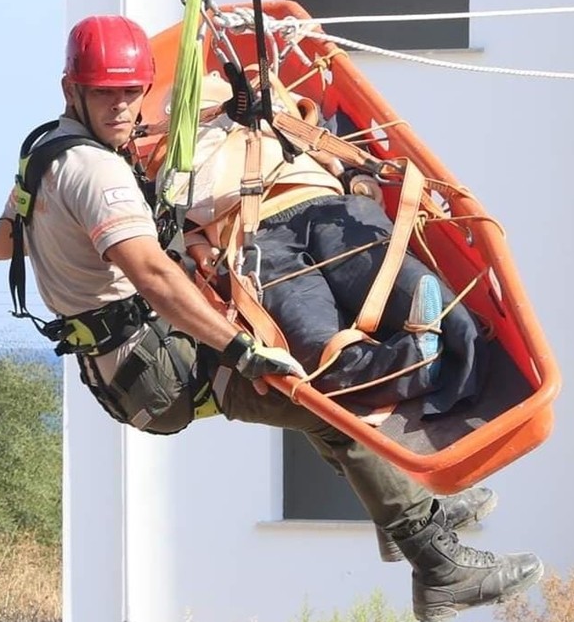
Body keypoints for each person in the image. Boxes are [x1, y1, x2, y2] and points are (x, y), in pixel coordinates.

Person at [0, 14, 543, 621]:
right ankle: (439, 565)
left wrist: (51, 226)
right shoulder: (97, 172)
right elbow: (150, 273)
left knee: (313, 404)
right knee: (323, 403)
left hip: (128, 359)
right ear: (73, 90)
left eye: (130, 92)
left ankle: (406, 517)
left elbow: (3, 245)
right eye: (105, 94)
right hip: (158, 367)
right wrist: (238, 348)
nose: (122, 109)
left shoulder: (45, 152)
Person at [166, 71, 489, 418]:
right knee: (311, 350)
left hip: (323, 205)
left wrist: (353, 174)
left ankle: (451, 348)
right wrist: (207, 257)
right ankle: (416, 360)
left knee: (401, 283)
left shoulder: (268, 101)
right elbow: (182, 229)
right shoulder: (175, 157)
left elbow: (324, 144)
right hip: (255, 236)